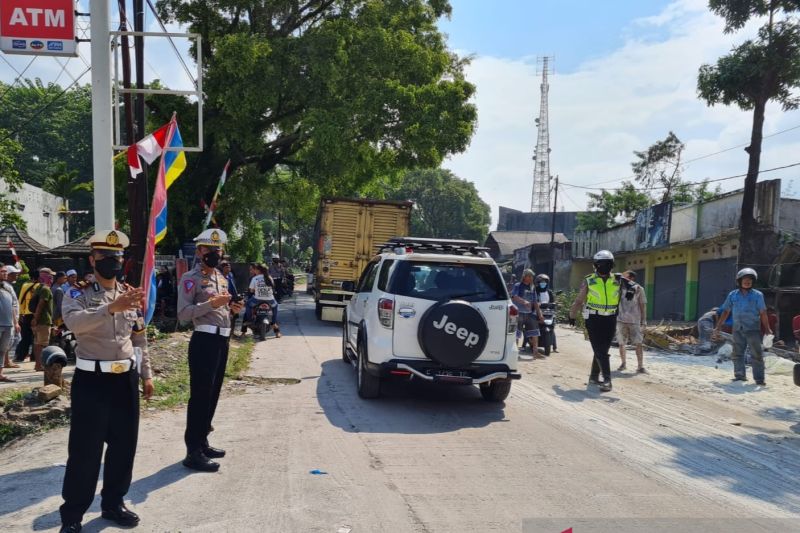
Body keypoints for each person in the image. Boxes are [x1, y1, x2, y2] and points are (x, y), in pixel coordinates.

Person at [58, 230, 153, 533]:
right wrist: (110, 308)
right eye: (105, 257)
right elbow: (75, 323)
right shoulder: (77, 294)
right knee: (85, 450)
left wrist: (146, 373)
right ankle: (72, 514)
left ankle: (113, 502)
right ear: (92, 259)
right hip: (92, 380)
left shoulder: (129, 293)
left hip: (124, 378)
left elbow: (139, 336)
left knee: (124, 446)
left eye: (117, 257)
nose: (112, 262)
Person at [177, 229, 243, 472]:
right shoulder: (190, 279)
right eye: (209, 250)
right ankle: (192, 451)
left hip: (221, 340)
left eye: (218, 250)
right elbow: (183, 314)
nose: (214, 254)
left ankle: (203, 441)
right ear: (199, 251)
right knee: (200, 396)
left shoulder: (221, 278)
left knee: (213, 394)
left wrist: (233, 308)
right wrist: (210, 304)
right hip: (203, 340)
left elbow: (223, 309)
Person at [569, 250, 621, 392]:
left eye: (608, 264)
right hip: (594, 319)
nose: (604, 266)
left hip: (611, 318)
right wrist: (572, 315)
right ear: (596, 265)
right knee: (600, 350)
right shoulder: (589, 280)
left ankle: (593, 376)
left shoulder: (617, 280)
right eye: (601, 264)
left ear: (612, 265)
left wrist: (630, 291)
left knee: (602, 349)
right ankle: (607, 380)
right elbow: (579, 299)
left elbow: (633, 288)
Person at [713, 268, 772, 385]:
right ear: (739, 281)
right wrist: (718, 326)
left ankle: (759, 379)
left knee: (757, 354)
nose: (747, 281)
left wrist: (768, 328)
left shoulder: (758, 295)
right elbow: (726, 311)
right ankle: (740, 375)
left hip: (753, 329)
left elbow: (763, 313)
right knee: (737, 353)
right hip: (737, 329)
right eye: (745, 279)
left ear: (753, 282)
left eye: (750, 279)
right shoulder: (732, 295)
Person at [616, 270, 647, 373]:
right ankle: (623, 364)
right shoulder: (619, 288)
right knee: (621, 343)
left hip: (634, 320)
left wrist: (644, 320)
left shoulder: (639, 289)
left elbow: (642, 305)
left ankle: (640, 366)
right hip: (620, 319)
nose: (622, 278)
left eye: (625, 276)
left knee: (638, 343)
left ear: (631, 278)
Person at [511, 269, 544, 359]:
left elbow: (535, 302)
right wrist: (524, 302)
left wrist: (539, 314)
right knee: (517, 333)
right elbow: (514, 297)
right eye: (528, 276)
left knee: (535, 333)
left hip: (530, 313)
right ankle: (515, 353)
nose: (530, 278)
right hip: (519, 313)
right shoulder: (518, 286)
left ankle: (535, 352)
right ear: (524, 277)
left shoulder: (532, 288)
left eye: (531, 276)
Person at [31, 267, 56, 372]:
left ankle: (38, 364)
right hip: (43, 320)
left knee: (37, 343)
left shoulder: (39, 287)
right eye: (50, 276)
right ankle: (40, 365)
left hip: (39, 320)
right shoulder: (45, 289)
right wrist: (36, 319)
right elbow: (41, 304)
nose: (52, 278)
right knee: (42, 344)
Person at [247, 263, 281, 338]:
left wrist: (256, 290)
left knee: (248, 304)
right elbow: (273, 288)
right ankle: (273, 322)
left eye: (255, 269)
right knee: (275, 307)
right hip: (270, 300)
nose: (254, 271)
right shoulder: (269, 277)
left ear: (258, 270)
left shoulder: (255, 278)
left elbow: (251, 290)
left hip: (257, 300)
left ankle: (249, 320)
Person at [14, 269, 39, 363]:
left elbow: (21, 300)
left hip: (27, 314)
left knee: (25, 337)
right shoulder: (40, 286)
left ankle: (20, 356)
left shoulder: (25, 285)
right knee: (36, 336)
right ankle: (34, 356)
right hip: (37, 314)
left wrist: (20, 314)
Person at [0, 265, 20, 381]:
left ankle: (1, 374)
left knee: (3, 350)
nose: (5, 274)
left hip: (8, 324)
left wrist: (16, 322)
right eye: (2, 272)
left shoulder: (8, 288)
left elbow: (13, 306)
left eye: (5, 272)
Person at [534, 273, 557, 353]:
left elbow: (553, 301)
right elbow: (533, 301)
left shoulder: (549, 292)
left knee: (552, 326)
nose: (543, 283)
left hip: (548, 312)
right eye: (541, 282)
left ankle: (554, 347)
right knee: (532, 325)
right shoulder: (535, 291)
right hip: (537, 312)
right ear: (538, 282)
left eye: (544, 282)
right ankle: (525, 343)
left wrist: (555, 304)